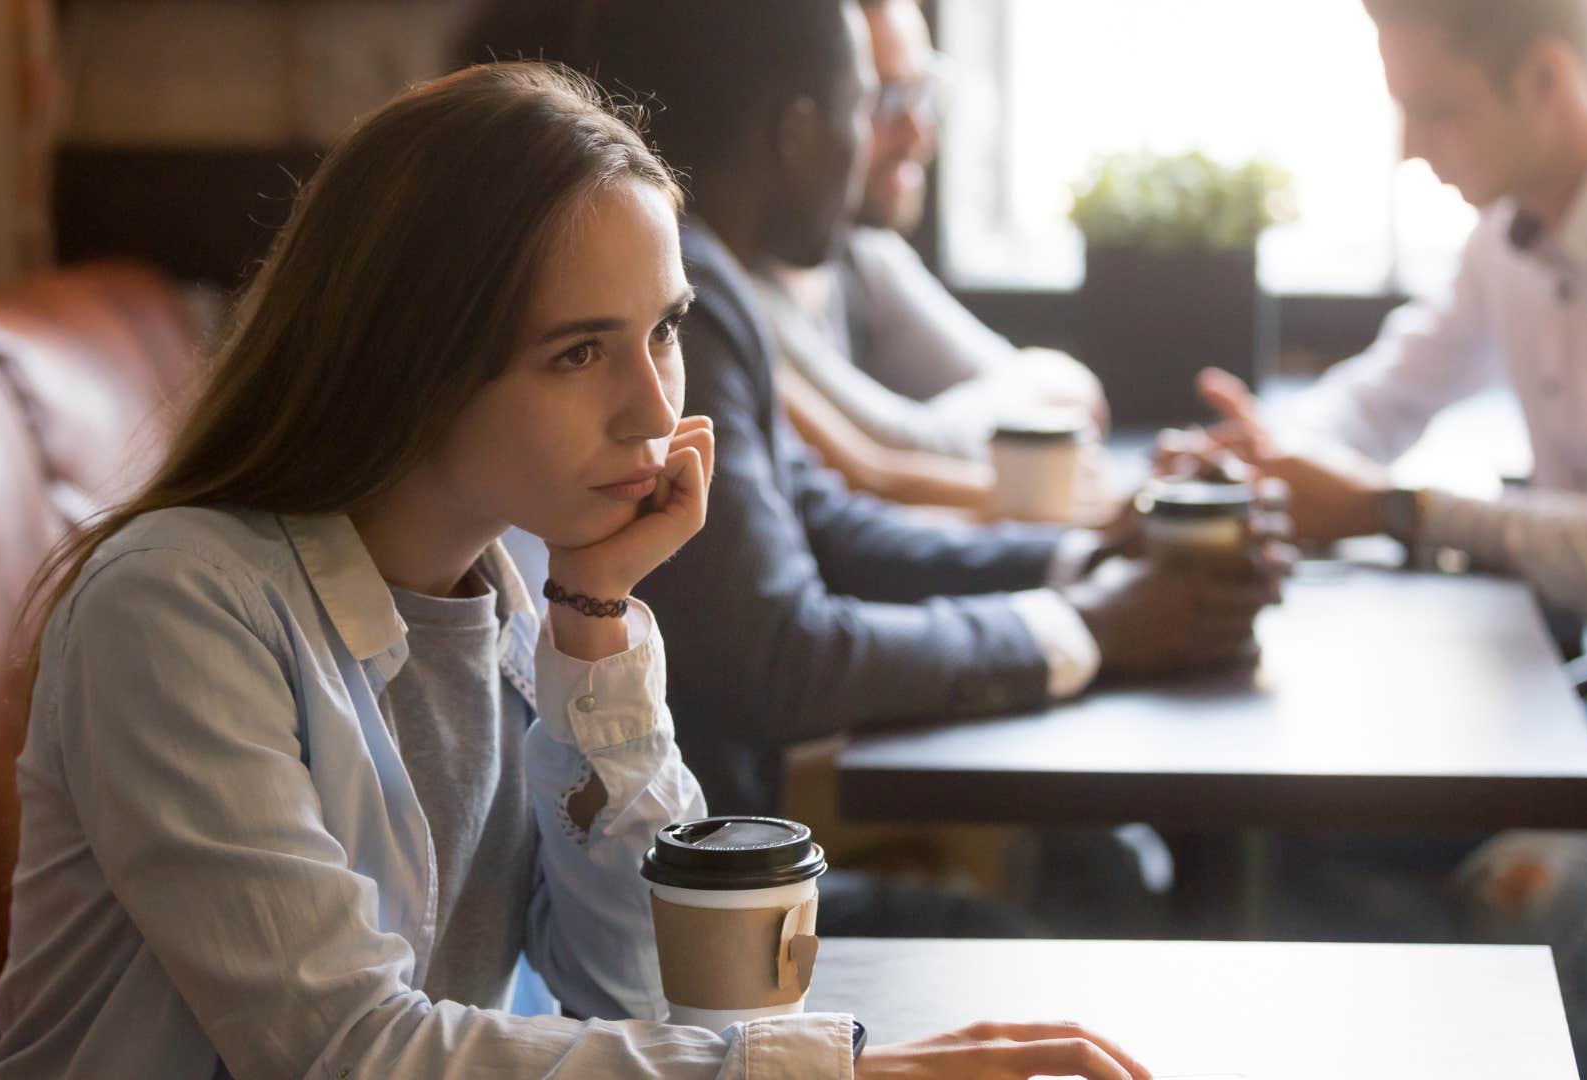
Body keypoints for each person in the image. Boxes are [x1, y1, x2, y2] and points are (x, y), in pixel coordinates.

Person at [0, 62, 1153, 1079]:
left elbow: (630, 989)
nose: (652, 410)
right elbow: (344, 1053)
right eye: (579, 351)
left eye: (665, 332)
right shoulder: (176, 605)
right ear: (411, 362)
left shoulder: (516, 589)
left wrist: (596, 622)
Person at [1171, 2, 1587, 1076]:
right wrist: (1264, 457)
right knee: (1300, 834)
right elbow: (1387, 396)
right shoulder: (1510, 234)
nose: (1407, 148)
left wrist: (1405, 510)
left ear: (1545, 79)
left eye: (1433, 109)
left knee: (1528, 908)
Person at [523, 0, 1287, 825]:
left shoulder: (715, 290)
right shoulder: (681, 311)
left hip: (731, 847)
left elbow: (832, 526)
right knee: (1093, 874)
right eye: (864, 107)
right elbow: (781, 658)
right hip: (712, 864)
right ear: (796, 132)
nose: (878, 145)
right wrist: (1086, 627)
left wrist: (1085, 556)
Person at [749, 0, 1115, 513]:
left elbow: (1072, 394)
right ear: (797, 124)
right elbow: (893, 456)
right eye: (885, 99)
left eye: (924, 91)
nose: (921, 133)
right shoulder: (723, 294)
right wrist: (1030, 452)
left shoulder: (860, 253)